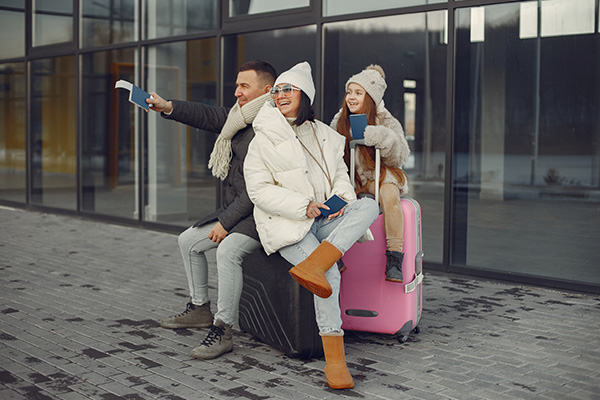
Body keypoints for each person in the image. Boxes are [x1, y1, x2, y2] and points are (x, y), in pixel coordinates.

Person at [244, 62, 379, 390]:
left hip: (324, 221)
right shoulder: (263, 138)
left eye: (287, 89)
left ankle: (316, 263)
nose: (280, 95)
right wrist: (302, 206)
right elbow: (259, 191)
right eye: (275, 91)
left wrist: (340, 203)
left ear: (305, 93)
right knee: (331, 275)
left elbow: (340, 179)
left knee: (368, 204)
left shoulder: (325, 135)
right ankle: (336, 361)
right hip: (287, 225)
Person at [146, 60, 276, 360]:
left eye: (244, 86)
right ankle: (200, 309)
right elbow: (207, 115)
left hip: (262, 215)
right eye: (237, 85)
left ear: (265, 90)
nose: (237, 92)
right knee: (188, 241)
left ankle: (223, 329)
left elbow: (259, 190)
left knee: (227, 251)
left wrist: (226, 223)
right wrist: (167, 107)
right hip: (238, 211)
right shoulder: (239, 117)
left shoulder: (271, 126)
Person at [330, 64, 411, 283]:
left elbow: (401, 155)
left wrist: (383, 138)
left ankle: (394, 256)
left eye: (358, 93)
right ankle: (331, 252)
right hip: (353, 178)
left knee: (391, 199)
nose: (351, 98)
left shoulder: (387, 121)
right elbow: (330, 153)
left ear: (371, 98)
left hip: (382, 176)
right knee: (333, 200)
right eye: (349, 92)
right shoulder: (340, 120)